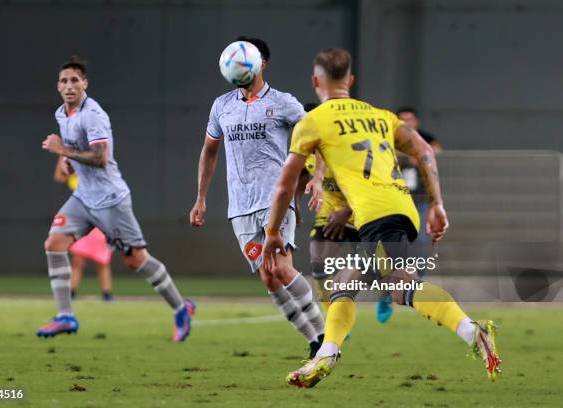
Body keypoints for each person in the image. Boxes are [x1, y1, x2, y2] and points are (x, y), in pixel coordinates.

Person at [263, 48, 501, 388]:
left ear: (316, 81)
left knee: (361, 284)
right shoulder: (380, 115)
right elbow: (423, 151)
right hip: (401, 208)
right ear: (351, 80)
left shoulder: (313, 121)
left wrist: (273, 230)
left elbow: (285, 185)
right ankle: (327, 354)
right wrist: (437, 204)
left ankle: (326, 356)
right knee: (384, 282)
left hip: (375, 214)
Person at [38, 57, 194, 341]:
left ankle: (181, 307)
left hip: (110, 200)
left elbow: (100, 158)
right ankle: (65, 316)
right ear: (58, 86)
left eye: (75, 80)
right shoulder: (63, 113)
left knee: (136, 260)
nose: (69, 85)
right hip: (83, 198)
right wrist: (66, 160)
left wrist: (63, 150)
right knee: (54, 243)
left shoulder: (94, 114)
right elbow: (76, 150)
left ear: (85, 83)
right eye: (64, 81)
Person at [189, 37, 325, 357]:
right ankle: (313, 340)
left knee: (280, 266)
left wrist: (317, 178)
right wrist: (200, 198)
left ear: (261, 63)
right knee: (268, 276)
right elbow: (209, 152)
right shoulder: (222, 106)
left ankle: (325, 334)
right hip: (240, 206)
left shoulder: (282, 102)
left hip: (275, 200)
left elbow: (318, 137)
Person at [296, 103, 393, 324]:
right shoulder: (303, 150)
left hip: (361, 213)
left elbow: (371, 185)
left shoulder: (346, 149)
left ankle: (385, 294)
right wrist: (295, 208)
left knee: (376, 270)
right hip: (329, 215)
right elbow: (297, 179)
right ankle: (334, 318)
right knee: (318, 262)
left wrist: (346, 211)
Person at [53, 156, 113, 302]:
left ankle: (107, 294)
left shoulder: (93, 166)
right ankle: (72, 293)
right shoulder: (74, 172)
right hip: (80, 217)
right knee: (77, 260)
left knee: (102, 260)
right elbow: (59, 176)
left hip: (98, 215)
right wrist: (62, 154)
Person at [396, 107, 442, 244]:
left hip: (420, 195)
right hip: (396, 195)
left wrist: (421, 157)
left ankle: (418, 263)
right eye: (402, 120)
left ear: (416, 121)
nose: (406, 123)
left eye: (409, 119)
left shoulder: (424, 137)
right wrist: (408, 156)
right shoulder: (390, 136)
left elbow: (436, 149)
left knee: (420, 234)